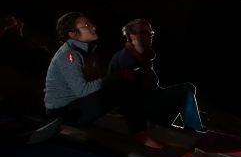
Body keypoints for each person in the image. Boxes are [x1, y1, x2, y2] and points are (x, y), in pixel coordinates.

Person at [43, 12, 164, 148]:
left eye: (91, 24)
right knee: (121, 85)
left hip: (77, 106)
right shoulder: (69, 55)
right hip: (64, 113)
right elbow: (82, 90)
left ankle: (141, 128)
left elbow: (96, 83)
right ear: (72, 34)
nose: (93, 27)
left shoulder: (87, 52)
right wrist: (116, 77)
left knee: (125, 82)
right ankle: (139, 134)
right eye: (86, 26)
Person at [108, 18, 203, 132]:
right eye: (145, 32)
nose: (150, 35)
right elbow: (128, 90)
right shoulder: (125, 57)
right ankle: (193, 131)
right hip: (136, 108)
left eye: (151, 33)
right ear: (133, 36)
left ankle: (167, 127)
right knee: (186, 89)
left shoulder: (143, 59)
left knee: (186, 91)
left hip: (145, 104)